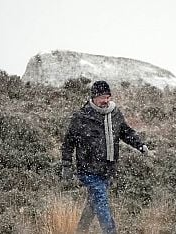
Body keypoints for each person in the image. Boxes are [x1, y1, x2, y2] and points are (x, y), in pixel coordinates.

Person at [61, 80, 149, 234]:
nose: (105, 100)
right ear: (93, 98)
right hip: (88, 170)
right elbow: (68, 142)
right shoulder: (81, 117)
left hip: (107, 169)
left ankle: (81, 230)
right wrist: (66, 165)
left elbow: (126, 132)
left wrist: (141, 146)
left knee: (93, 202)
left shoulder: (115, 113)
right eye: (102, 97)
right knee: (100, 198)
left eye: (108, 96)